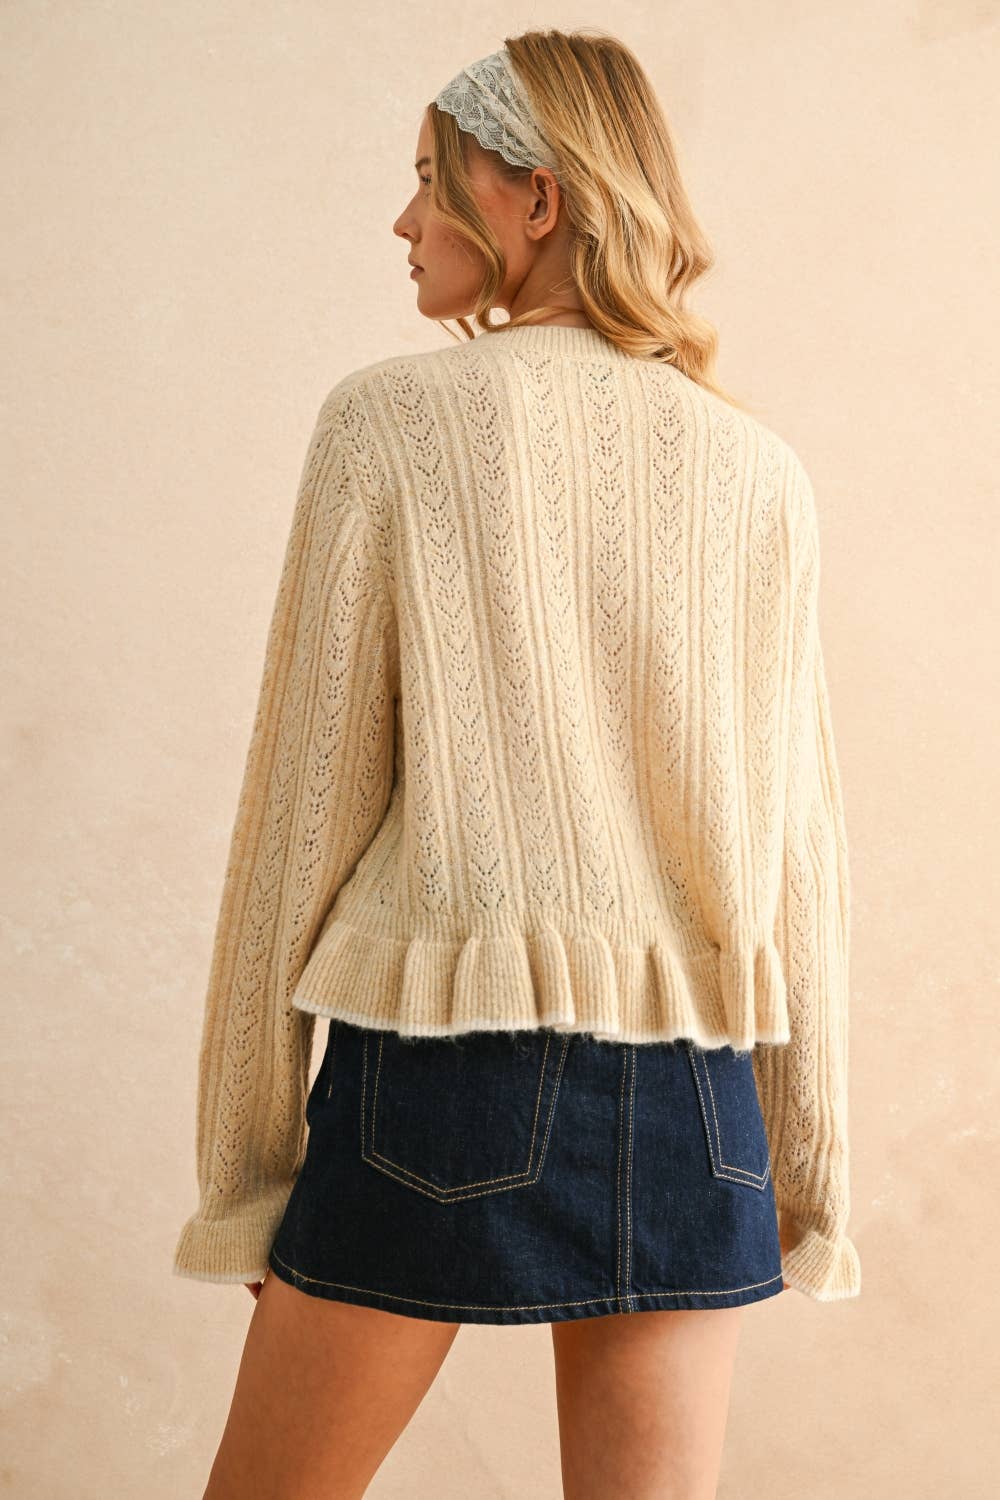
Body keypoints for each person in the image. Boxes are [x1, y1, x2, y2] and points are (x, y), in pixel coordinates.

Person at [174, 28, 861, 1500]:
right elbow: (797, 862)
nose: (405, 217)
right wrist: (803, 1175)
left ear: (536, 198)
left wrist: (245, 1178)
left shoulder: (391, 425)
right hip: (698, 1105)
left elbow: (300, 818)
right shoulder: (761, 473)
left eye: (432, 178)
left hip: (442, 1077)